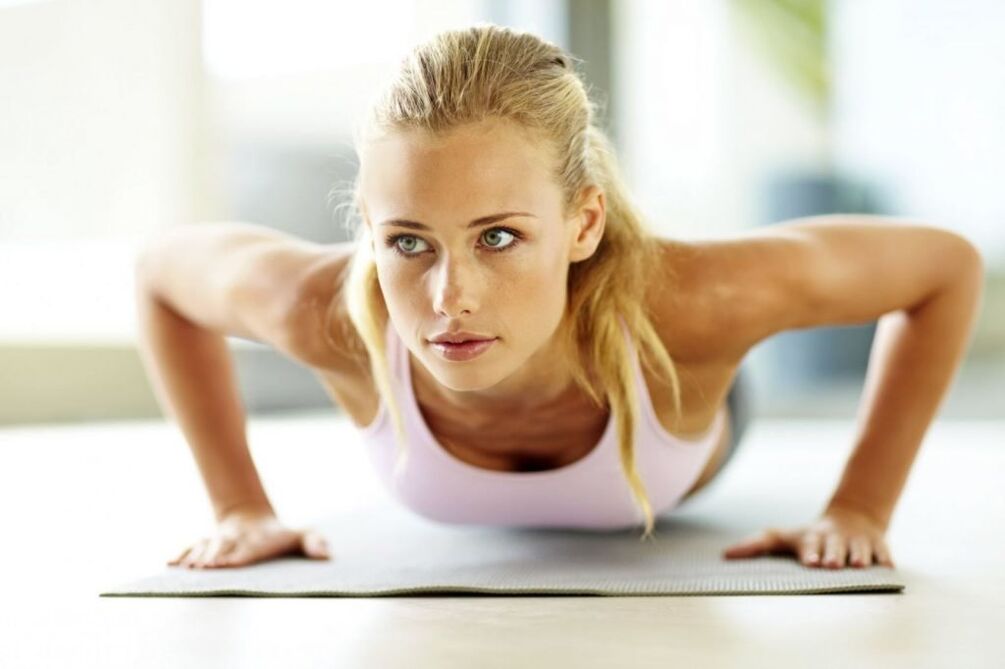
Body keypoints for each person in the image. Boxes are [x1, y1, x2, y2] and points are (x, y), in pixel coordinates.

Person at [135, 24, 983, 572]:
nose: (447, 297)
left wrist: (859, 506)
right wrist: (238, 504)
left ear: (582, 224)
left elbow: (942, 267)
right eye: (407, 242)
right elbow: (161, 276)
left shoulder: (698, 300)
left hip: (664, 385)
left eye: (498, 236)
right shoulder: (322, 310)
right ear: (366, 226)